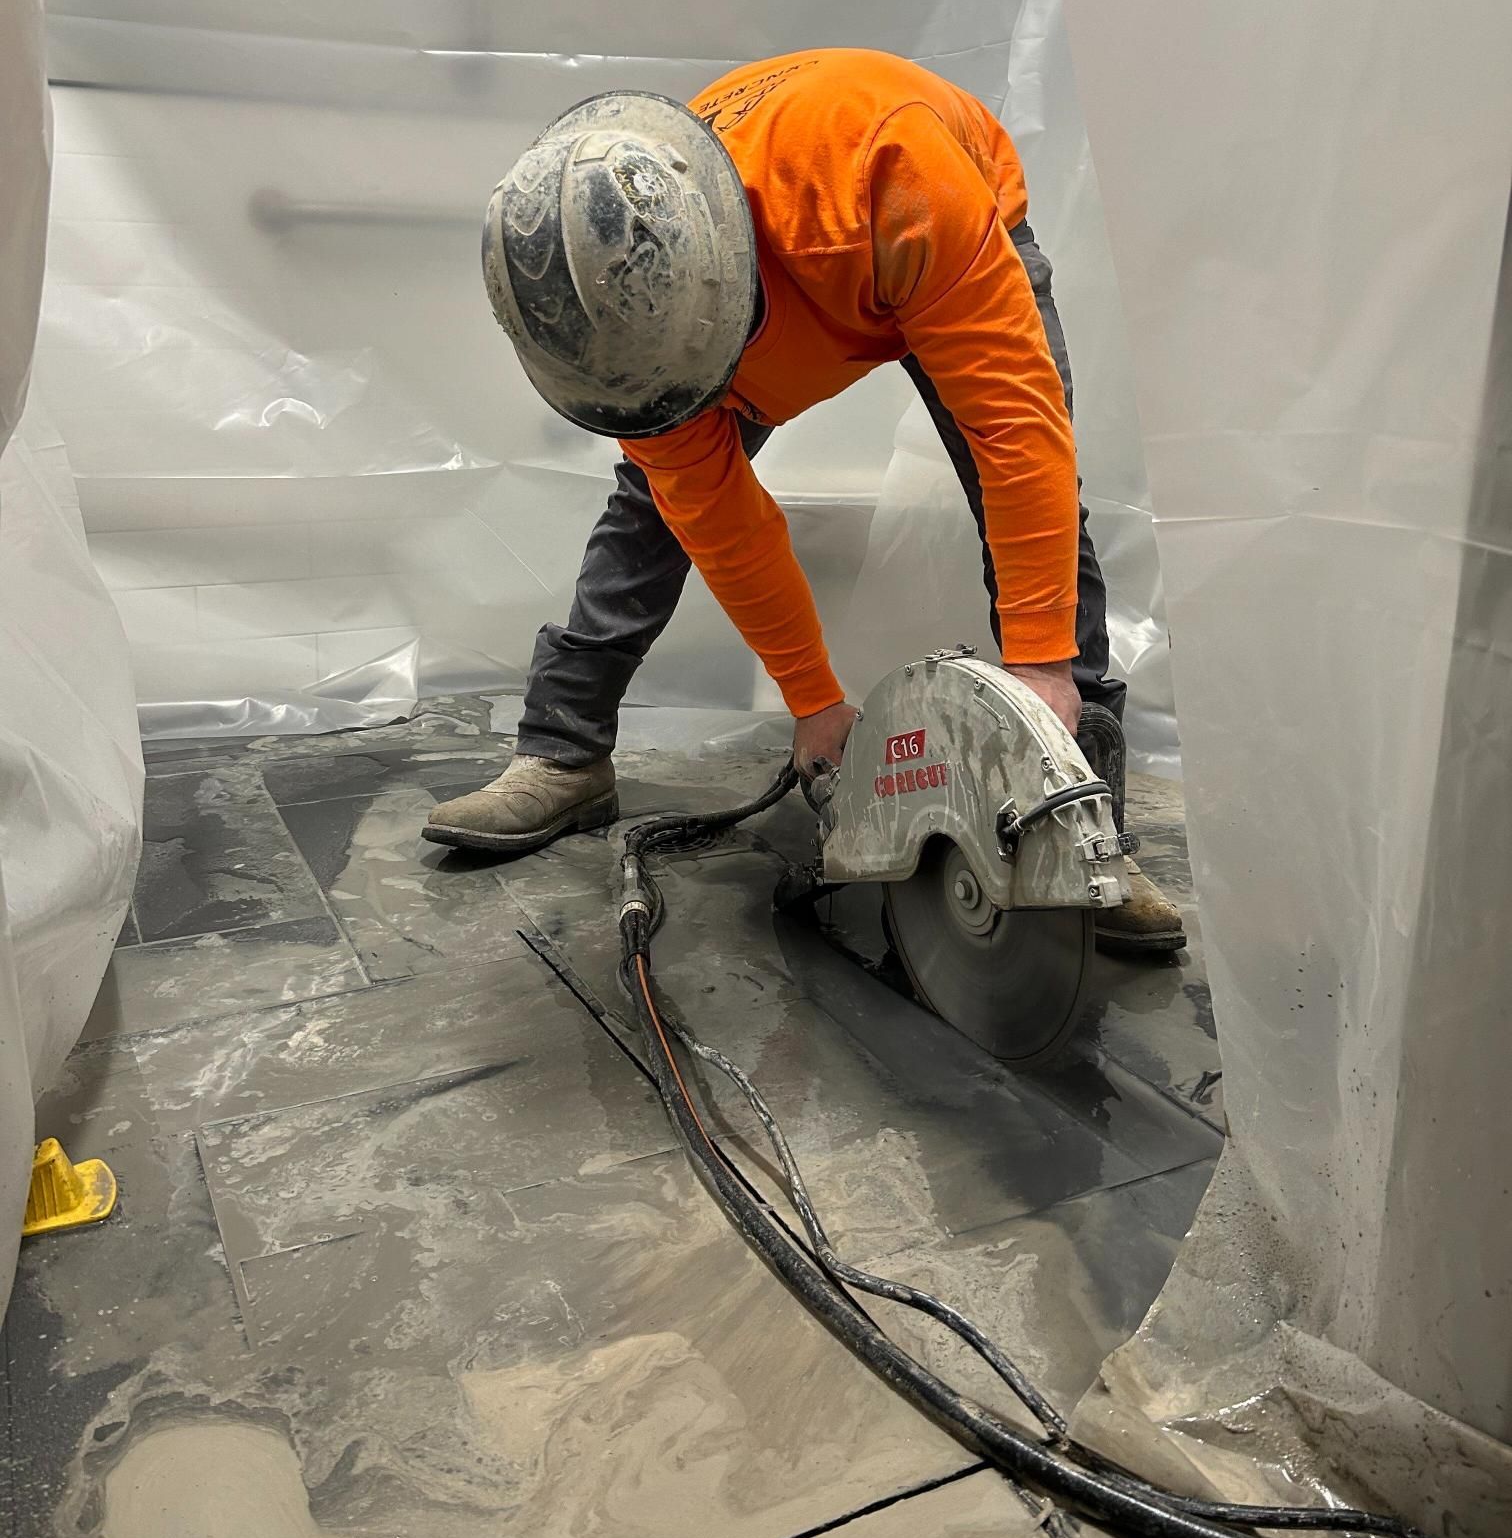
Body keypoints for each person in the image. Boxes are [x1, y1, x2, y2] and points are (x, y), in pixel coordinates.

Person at [426, 49, 1183, 952]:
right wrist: (815, 701)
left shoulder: (894, 184)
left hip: (927, 220)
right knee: (652, 505)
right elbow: (724, 527)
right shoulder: (611, 326)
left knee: (1025, 489)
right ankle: (563, 751)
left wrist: (1043, 667)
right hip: (768, 265)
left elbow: (1019, 441)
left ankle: (1085, 813)